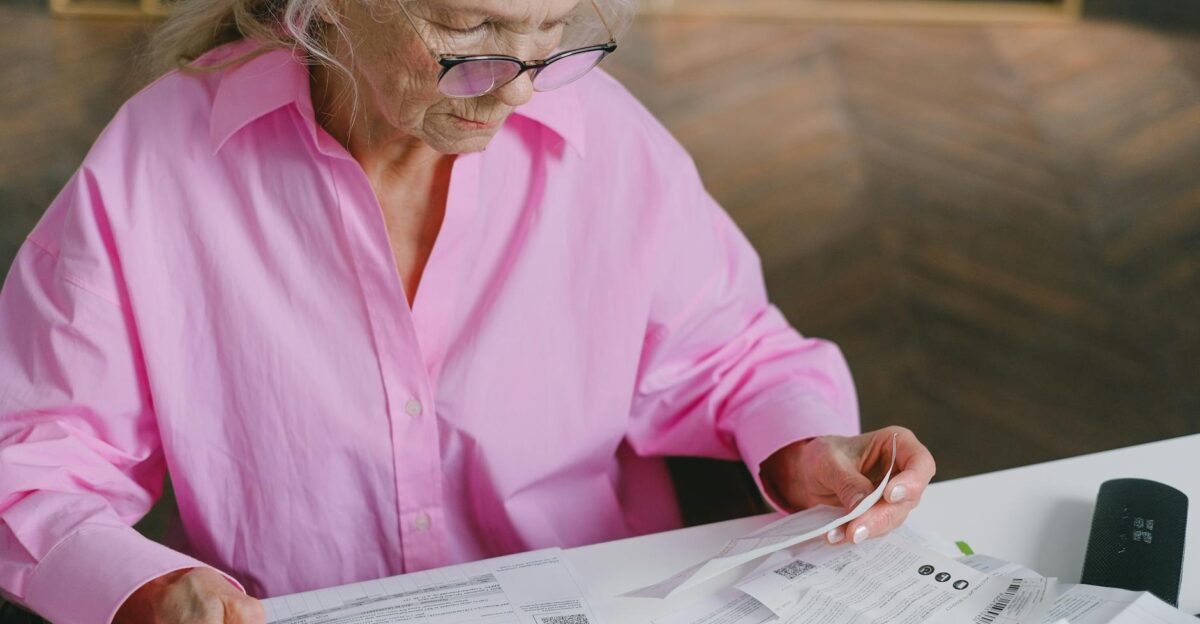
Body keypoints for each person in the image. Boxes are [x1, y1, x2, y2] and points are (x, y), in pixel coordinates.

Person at [0, 0, 936, 621]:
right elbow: (36, 461)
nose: (520, 87)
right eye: (471, 35)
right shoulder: (158, 163)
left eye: (552, 31)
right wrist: (148, 589)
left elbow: (729, 354)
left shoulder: (602, 139)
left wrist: (810, 448)